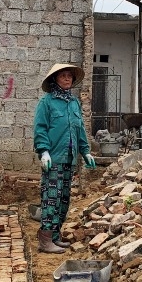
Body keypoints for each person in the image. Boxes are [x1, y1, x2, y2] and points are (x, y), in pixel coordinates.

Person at [33, 63, 96, 253]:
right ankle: (45, 239)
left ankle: (55, 235)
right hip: (53, 158)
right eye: (63, 76)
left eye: (70, 76)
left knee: (64, 198)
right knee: (51, 197)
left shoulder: (74, 103)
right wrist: (43, 151)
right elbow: (40, 128)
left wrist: (85, 151)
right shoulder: (47, 102)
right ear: (55, 79)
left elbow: (79, 129)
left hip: (69, 158)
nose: (67, 79)